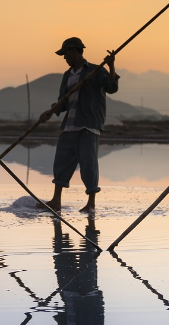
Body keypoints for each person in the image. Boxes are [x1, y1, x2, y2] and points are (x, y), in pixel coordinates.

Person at [41, 37, 119, 213]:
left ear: (75, 51)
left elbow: (112, 87)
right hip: (70, 125)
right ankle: (56, 200)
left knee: (88, 164)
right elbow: (64, 101)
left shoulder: (95, 71)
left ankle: (91, 203)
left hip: (88, 125)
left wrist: (111, 66)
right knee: (61, 162)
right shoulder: (68, 75)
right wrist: (51, 111)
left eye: (66, 53)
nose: (64, 58)